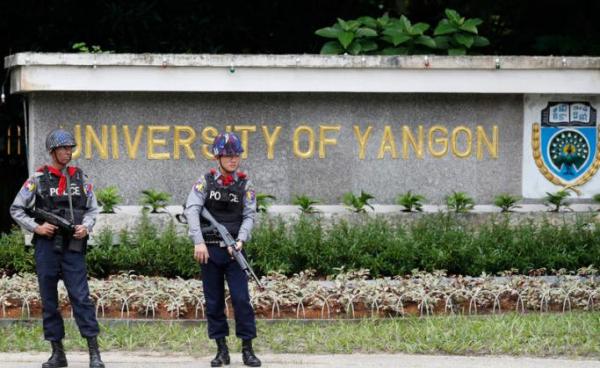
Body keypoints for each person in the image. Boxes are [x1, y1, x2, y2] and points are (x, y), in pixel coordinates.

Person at [10, 129, 105, 368]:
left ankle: (94, 353)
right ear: (53, 151)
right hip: (47, 247)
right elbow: (16, 209)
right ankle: (57, 353)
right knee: (49, 300)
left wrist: (86, 226)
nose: (68, 152)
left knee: (81, 298)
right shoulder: (37, 179)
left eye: (70, 148)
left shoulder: (80, 178)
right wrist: (36, 227)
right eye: (64, 148)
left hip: (73, 246)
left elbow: (94, 209)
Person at [184, 132, 261, 367]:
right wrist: (198, 242)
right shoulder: (205, 181)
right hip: (209, 251)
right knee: (214, 301)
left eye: (236, 155)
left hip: (234, 251)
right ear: (217, 157)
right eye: (227, 155)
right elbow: (191, 209)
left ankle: (248, 349)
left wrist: (241, 240)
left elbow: (249, 215)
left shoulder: (245, 184)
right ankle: (221, 350)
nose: (232, 160)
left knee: (241, 299)